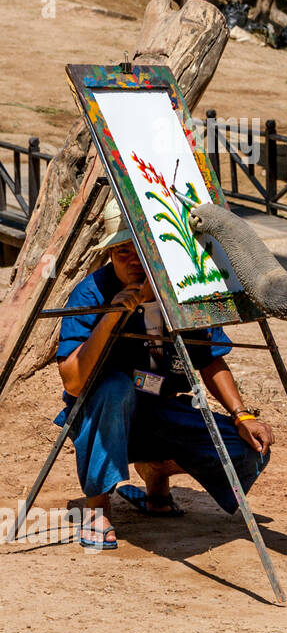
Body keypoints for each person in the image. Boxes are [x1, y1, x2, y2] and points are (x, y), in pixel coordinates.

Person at [56, 201, 274, 550]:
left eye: (142, 250)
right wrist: (113, 315)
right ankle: (97, 508)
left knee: (249, 450)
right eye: (122, 251)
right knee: (114, 386)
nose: (133, 260)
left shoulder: (186, 291)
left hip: (163, 411)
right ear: (109, 254)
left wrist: (242, 414)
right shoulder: (91, 293)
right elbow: (73, 381)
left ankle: (155, 470)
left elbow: (210, 359)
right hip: (103, 417)